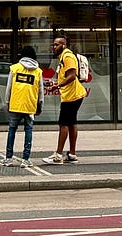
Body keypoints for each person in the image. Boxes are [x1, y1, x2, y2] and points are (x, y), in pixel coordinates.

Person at [46, 34, 86, 164]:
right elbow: (65, 76)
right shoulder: (63, 57)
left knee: (63, 124)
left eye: (56, 44)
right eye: (53, 45)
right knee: (71, 123)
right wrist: (56, 84)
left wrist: (58, 85)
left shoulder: (67, 56)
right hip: (74, 95)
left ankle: (58, 156)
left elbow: (72, 76)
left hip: (72, 96)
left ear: (63, 45)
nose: (54, 47)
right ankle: (72, 154)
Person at [2, 46, 43, 166]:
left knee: (12, 130)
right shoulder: (38, 71)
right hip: (30, 105)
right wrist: (40, 105)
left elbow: (9, 88)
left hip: (15, 104)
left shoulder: (15, 69)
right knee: (28, 130)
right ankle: (26, 159)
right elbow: (40, 91)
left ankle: (8, 158)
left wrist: (7, 102)